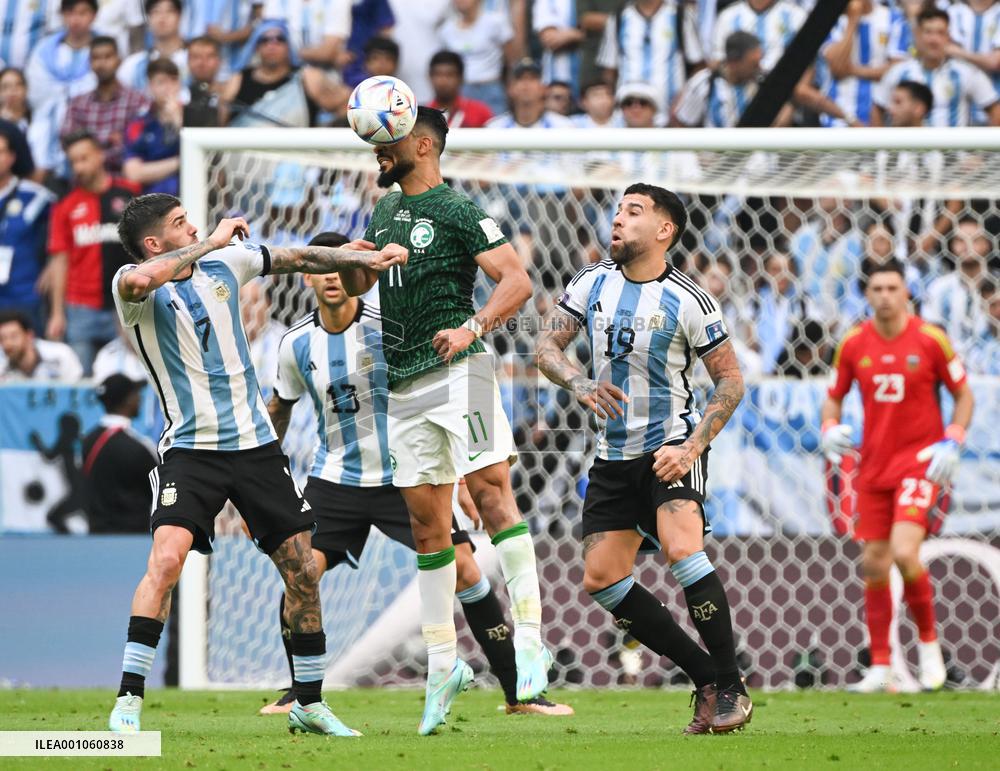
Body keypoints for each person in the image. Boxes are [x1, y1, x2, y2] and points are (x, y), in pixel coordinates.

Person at [106, 191, 408, 734]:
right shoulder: (134, 284)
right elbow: (138, 282)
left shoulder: (226, 263)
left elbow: (297, 258)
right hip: (191, 450)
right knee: (168, 559)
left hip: (256, 448)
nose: (193, 226)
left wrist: (355, 257)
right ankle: (128, 701)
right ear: (155, 243)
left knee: (302, 569)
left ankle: (309, 702)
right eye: (180, 223)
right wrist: (212, 241)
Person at [262, 231, 572, 718]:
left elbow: (439, 395)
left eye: (340, 268)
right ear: (306, 276)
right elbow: (279, 408)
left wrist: (468, 478)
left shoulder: (391, 329)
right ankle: (299, 694)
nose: (332, 279)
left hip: (402, 475)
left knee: (467, 571)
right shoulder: (295, 344)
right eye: (322, 269)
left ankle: (519, 694)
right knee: (300, 575)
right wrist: (261, 477)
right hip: (335, 479)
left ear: (355, 273)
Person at [342, 106, 548, 735]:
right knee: (429, 528)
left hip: (465, 372)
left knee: (491, 496)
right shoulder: (382, 212)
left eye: (389, 139)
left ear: (423, 144)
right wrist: (355, 262)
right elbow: (358, 286)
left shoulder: (459, 211)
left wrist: (472, 326)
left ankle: (532, 643)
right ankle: (441, 665)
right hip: (403, 383)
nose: (378, 149)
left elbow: (518, 281)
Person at [535, 183, 753, 733]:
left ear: (664, 231)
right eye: (616, 211)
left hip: (670, 449)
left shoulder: (690, 299)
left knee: (683, 549)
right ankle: (706, 675)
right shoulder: (591, 282)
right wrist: (580, 382)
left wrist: (693, 447)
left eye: (633, 212)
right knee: (602, 579)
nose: (618, 220)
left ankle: (732, 686)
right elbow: (545, 348)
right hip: (613, 454)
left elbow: (729, 379)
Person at [820, 259, 974, 692]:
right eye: (877, 289)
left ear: (906, 292)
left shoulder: (931, 340)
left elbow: (964, 396)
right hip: (873, 466)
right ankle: (882, 666)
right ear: (867, 295)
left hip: (918, 463)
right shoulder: (853, 344)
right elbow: (832, 399)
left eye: (892, 288)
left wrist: (954, 437)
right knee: (872, 562)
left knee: (906, 554)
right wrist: (829, 428)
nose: (885, 296)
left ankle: (930, 649)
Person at [45, 130, 139, 374]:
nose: (78, 167)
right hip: (80, 306)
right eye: (73, 161)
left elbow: (141, 249)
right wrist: (57, 313)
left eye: (83, 158)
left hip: (123, 302)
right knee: (80, 380)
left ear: (99, 156)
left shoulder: (129, 195)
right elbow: (60, 259)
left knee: (130, 374)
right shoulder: (65, 206)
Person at [873, 6, 1000, 127]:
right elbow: (877, 108)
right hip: (909, 149)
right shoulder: (899, 72)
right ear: (917, 35)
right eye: (928, 32)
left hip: (953, 149)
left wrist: (980, 149)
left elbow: (995, 110)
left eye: (940, 33)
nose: (934, 40)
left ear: (948, 37)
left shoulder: (965, 73)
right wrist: (880, 148)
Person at [221, 20, 348, 127]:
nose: (272, 45)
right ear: (256, 47)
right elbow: (220, 123)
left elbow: (345, 104)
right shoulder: (238, 79)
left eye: (279, 39)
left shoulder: (308, 78)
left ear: (289, 46)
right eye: (264, 40)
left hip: (296, 154)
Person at [598, 0, 704, 119]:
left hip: (670, 116)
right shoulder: (619, 16)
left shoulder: (681, 15)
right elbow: (609, 69)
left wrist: (683, 106)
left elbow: (698, 66)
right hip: (627, 116)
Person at [62, 36, 151, 174]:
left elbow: (141, 145)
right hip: (86, 178)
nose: (102, 63)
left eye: (107, 57)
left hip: (125, 179)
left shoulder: (137, 101)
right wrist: (111, 143)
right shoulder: (78, 104)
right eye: (96, 58)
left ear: (119, 60)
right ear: (89, 63)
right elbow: (69, 143)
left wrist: (95, 147)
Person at [82, 374, 158, 534]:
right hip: (133, 539)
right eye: (136, 393)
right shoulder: (139, 446)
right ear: (127, 400)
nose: (140, 398)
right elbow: (158, 492)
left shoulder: (87, 441)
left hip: (96, 536)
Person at [0, 131, 56, 333]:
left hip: (25, 291)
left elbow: (61, 231)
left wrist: (52, 268)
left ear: (11, 157)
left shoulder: (35, 196)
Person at [673, 31, 783, 128]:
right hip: (712, 150)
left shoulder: (763, 83)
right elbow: (682, 123)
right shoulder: (704, 83)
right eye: (753, 64)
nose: (759, 68)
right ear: (733, 63)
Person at [818, 0, 894, 127]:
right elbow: (836, 67)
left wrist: (851, 70)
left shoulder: (892, 18)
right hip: (837, 121)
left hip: (881, 119)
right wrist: (853, 20)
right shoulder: (832, 21)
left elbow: (896, 69)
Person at [437, 0, 514, 116]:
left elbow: (511, 59)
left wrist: (510, 87)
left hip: (491, 87)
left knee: (495, 129)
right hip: (462, 90)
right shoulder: (446, 30)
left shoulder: (496, 22)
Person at [25, 0, 99, 113]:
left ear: (94, 15)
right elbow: (35, 90)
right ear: (62, 15)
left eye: (82, 13)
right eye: (70, 13)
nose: (76, 20)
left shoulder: (105, 49)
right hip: (47, 118)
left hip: (93, 116)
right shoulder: (43, 50)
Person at [123, 59, 182, 196]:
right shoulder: (139, 125)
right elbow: (134, 173)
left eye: (173, 80)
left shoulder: (196, 116)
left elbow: (207, 161)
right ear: (150, 86)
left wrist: (178, 120)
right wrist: (180, 162)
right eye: (161, 82)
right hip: (154, 200)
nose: (168, 87)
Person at [117, 0, 189, 96]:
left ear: (180, 17)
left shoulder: (194, 60)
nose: (162, 18)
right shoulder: (133, 65)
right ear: (148, 18)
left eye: (169, 11)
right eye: (156, 12)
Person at [711, 0, 806, 72]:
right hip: (736, 93)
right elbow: (718, 62)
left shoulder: (796, 16)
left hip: (784, 91)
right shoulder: (727, 17)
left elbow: (807, 64)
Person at [486, 58, 574, 128]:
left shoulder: (563, 127)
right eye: (520, 79)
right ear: (510, 89)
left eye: (532, 79)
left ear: (544, 88)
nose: (526, 84)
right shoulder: (495, 128)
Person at [263, 0, 351, 68]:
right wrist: (328, 56)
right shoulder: (278, 2)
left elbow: (326, 53)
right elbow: (270, 43)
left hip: (326, 74)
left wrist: (289, 52)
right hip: (284, 72)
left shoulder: (337, 2)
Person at [0, 310, 83, 382]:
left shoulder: (60, 354)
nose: (8, 343)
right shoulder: (1, 365)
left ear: (29, 336)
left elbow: (76, 390)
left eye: (13, 336)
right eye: (2, 338)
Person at [427, 50, 495, 128]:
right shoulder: (420, 116)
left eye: (450, 75)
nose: (443, 81)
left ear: (461, 78)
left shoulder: (480, 112)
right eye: (438, 74)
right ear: (430, 77)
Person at [533, 0, 584, 96]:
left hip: (590, 78)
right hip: (558, 77)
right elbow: (550, 40)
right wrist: (581, 34)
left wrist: (569, 34)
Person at [184, 36, 224, 127]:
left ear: (219, 61)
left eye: (209, 57)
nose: (202, 62)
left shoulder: (230, 94)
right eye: (196, 57)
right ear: (188, 61)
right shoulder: (178, 94)